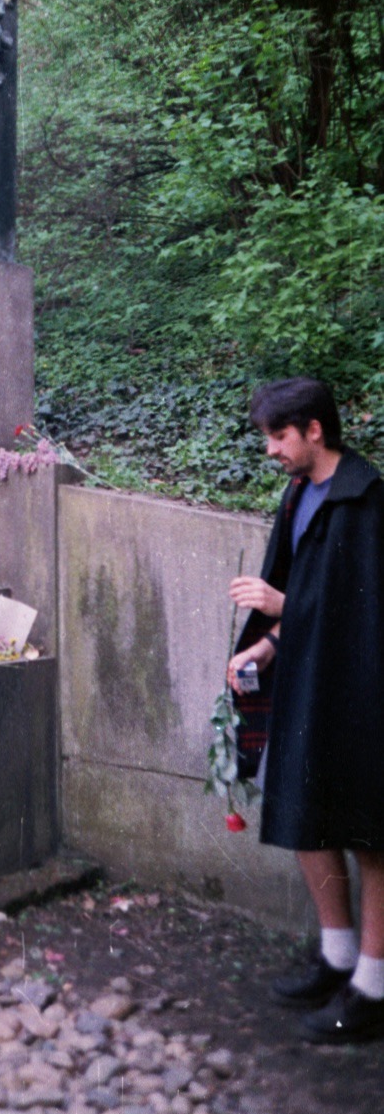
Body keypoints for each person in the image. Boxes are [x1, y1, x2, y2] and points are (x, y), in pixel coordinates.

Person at [228, 377, 384, 1044]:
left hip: (358, 693)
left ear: (313, 430)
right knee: (305, 816)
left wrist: (277, 605)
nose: (270, 448)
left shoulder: (364, 499)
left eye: (278, 435)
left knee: (369, 838)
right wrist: (263, 648)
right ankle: (337, 959)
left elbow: (365, 612)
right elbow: (302, 597)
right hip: (305, 682)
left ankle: (373, 989)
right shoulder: (298, 493)